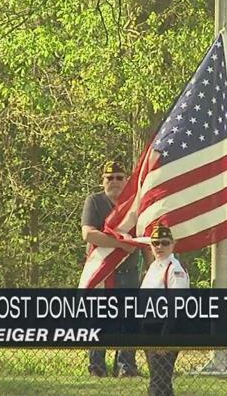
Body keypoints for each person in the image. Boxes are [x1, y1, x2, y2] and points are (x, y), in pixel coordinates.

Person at [81, 160, 141, 377]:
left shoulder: (135, 204)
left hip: (130, 272)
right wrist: (120, 243)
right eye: (110, 178)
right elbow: (88, 234)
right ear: (103, 180)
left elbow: (143, 236)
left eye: (119, 177)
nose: (114, 182)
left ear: (126, 180)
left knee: (129, 321)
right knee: (99, 319)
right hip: (103, 272)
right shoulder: (94, 202)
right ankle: (96, 367)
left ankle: (126, 367)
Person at [141, 221, 189, 396]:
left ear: (173, 244)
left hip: (165, 329)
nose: (160, 246)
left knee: (160, 382)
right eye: (155, 243)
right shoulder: (153, 267)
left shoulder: (174, 269)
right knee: (158, 380)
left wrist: (165, 338)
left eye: (165, 243)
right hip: (149, 329)